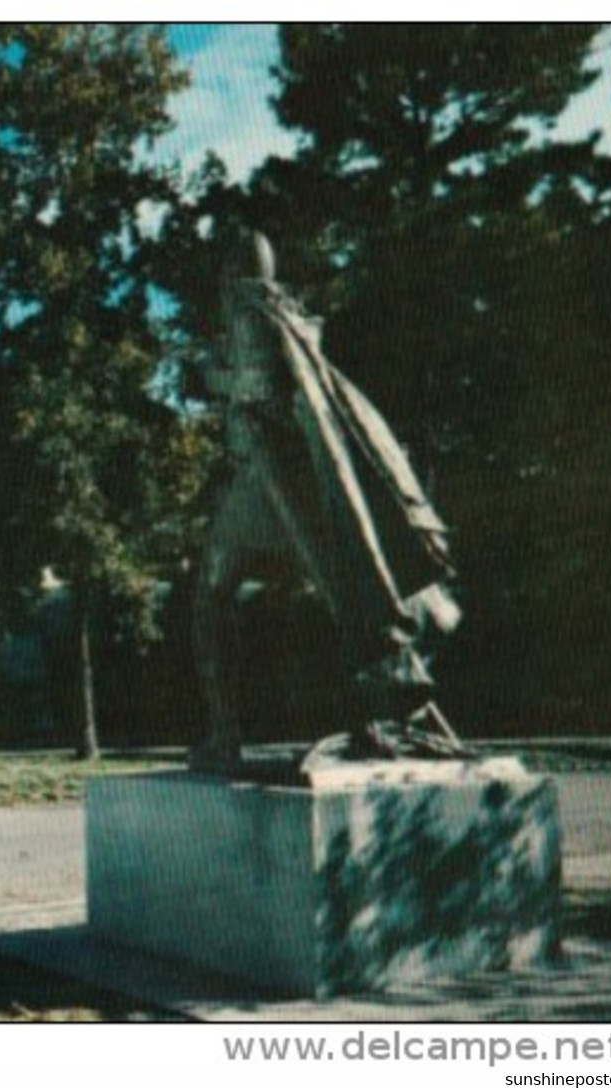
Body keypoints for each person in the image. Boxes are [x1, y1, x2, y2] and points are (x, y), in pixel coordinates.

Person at [190, 230, 464, 775]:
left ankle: (225, 733)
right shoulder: (287, 313)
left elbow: (261, 396)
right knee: (348, 598)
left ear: (231, 274)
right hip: (292, 476)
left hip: (271, 480)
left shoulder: (250, 313)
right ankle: (398, 713)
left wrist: (211, 376)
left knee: (212, 594)